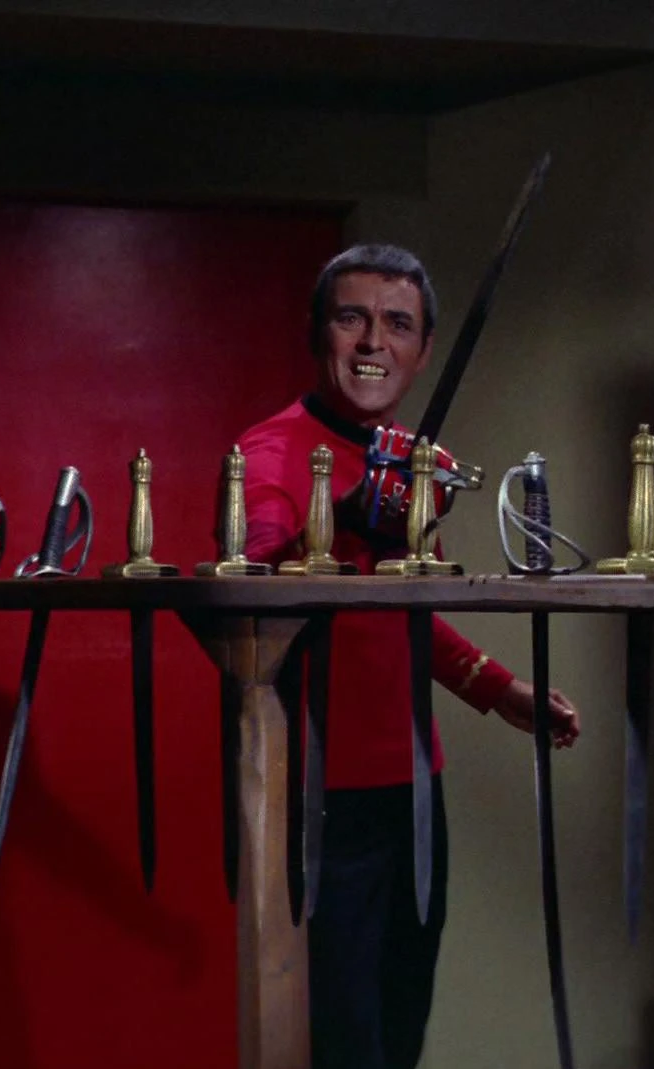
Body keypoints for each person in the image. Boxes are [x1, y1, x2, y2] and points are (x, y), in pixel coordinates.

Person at [227, 243, 581, 1069]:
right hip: (316, 792)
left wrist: (499, 689)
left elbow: (404, 619)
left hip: (414, 786)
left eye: (397, 324)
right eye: (351, 318)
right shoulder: (271, 453)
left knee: (396, 1033)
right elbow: (250, 579)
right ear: (317, 333)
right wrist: (344, 520)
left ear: (422, 351)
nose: (372, 343)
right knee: (342, 1043)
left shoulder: (408, 460)